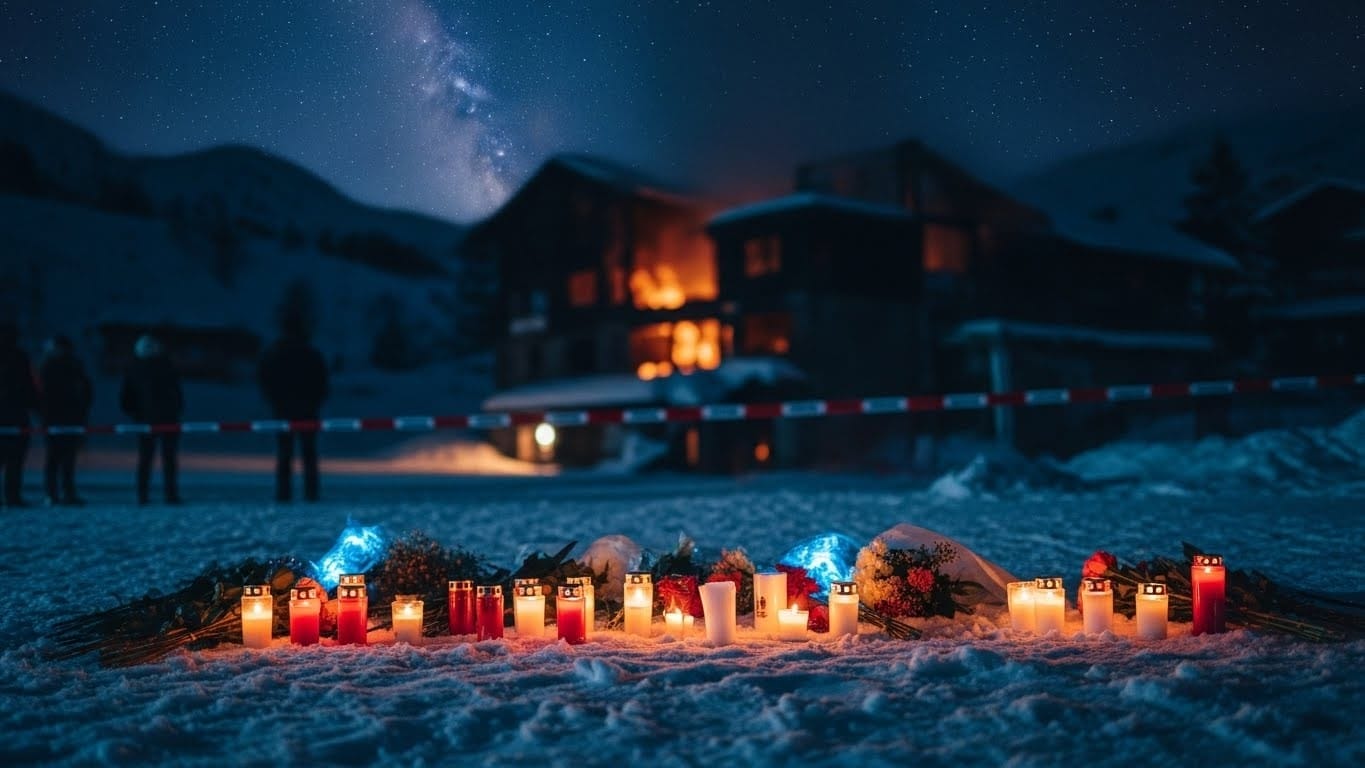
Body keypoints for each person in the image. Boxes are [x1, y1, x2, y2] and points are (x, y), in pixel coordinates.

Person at [258, 312, 328, 502]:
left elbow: (265, 378)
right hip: (305, 409)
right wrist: (314, 401)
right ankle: (310, 494)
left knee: (286, 454)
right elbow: (321, 381)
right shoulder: (309, 353)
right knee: (307, 454)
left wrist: (276, 401)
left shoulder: (277, 353)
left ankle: (284, 494)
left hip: (285, 410)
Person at [119, 334, 183, 505]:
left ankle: (149, 494)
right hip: (156, 419)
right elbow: (127, 398)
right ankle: (163, 494)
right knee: (158, 459)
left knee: (152, 459)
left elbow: (126, 398)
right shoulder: (161, 365)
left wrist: (136, 415)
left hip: (156, 419)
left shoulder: (139, 367)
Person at [37, 335, 94, 506]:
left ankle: (65, 492)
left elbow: (86, 389)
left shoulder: (73, 365)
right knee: (55, 458)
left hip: (70, 417)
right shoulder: (50, 366)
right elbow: (42, 394)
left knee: (67, 458)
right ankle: (53, 493)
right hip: (56, 417)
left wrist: (82, 409)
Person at [0, 322, 39, 508]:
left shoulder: (19, 358)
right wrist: (36, 406)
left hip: (10, 414)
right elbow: (29, 386)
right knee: (15, 460)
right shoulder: (20, 357)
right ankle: (12, 495)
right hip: (16, 415)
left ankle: (11, 496)